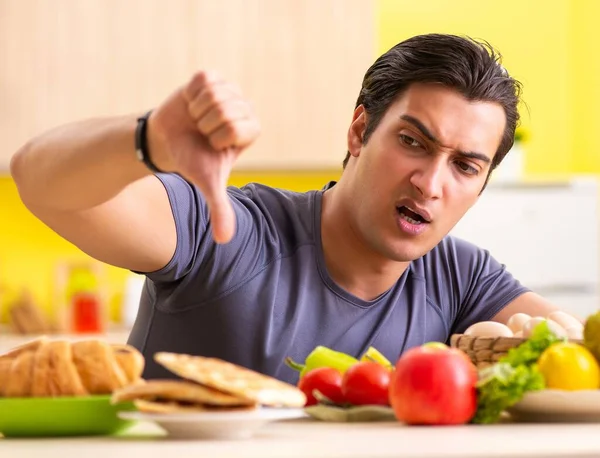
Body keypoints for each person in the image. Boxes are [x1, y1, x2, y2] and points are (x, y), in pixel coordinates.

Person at [10, 33, 569, 383]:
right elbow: (39, 181)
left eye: (465, 166)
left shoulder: (460, 276)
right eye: (413, 142)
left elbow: (575, 352)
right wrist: (148, 139)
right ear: (360, 131)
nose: (430, 182)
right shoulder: (233, 229)